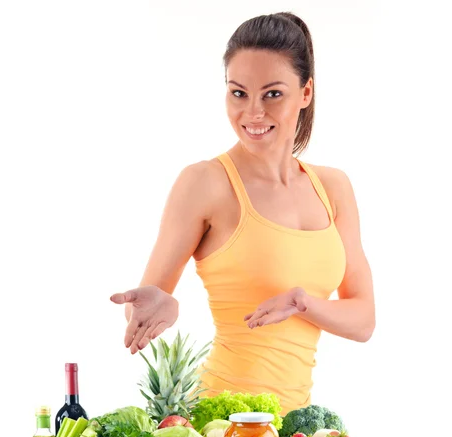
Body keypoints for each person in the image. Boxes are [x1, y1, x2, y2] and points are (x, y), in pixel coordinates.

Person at [110, 12, 375, 415]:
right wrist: (159, 303)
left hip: (293, 436)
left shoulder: (333, 187)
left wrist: (303, 302)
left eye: (272, 94)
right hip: (219, 431)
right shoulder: (205, 183)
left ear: (305, 93)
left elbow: (363, 320)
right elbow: (142, 305)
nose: (253, 112)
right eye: (238, 93)